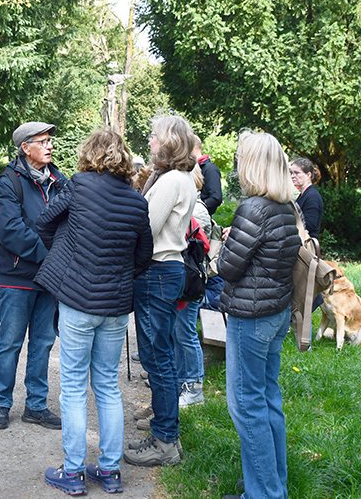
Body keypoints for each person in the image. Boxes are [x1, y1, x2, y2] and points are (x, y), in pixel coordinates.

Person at [35, 130, 153, 496]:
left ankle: (72, 472)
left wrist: (67, 250)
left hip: (78, 300)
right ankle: (109, 470)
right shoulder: (136, 201)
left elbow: (44, 220)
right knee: (106, 385)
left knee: (72, 386)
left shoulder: (79, 185)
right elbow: (142, 255)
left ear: (90, 154)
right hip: (116, 306)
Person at [217, 132, 302, 499]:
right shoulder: (287, 207)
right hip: (276, 312)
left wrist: (225, 242)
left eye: (240, 157)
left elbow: (227, 268)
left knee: (246, 406)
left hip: (250, 318)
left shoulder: (254, 208)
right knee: (267, 400)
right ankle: (271, 482)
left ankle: (265, 493)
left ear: (251, 164)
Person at [125, 114, 197, 467]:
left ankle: (166, 440)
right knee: (159, 355)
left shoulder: (171, 181)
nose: (150, 142)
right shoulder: (176, 178)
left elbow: (145, 229)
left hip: (157, 270)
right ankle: (162, 428)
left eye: (154, 137)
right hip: (164, 271)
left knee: (159, 357)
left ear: (168, 142)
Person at [0, 121, 66, 431]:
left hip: (49, 279)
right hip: (17, 276)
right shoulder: (9, 182)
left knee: (44, 342)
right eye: (42, 141)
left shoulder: (60, 181)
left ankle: (36, 405)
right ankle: (1, 403)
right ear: (25, 147)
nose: (49, 146)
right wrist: (49, 255)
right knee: (10, 342)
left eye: (50, 141)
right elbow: (10, 230)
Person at [173, 163, 215, 410]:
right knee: (180, 332)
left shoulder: (196, 210)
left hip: (192, 281)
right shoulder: (193, 206)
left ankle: (194, 384)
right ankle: (183, 381)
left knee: (186, 332)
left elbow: (200, 248)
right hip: (187, 279)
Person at [290, 157, 324, 238]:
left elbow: (310, 225)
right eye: (291, 173)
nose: (292, 176)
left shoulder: (312, 196)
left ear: (308, 175)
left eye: (297, 173)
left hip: (306, 246)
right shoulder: (304, 194)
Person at [193, 134, 223, 215]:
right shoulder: (191, 167)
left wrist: (198, 209)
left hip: (200, 217)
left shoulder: (210, 169)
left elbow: (216, 198)